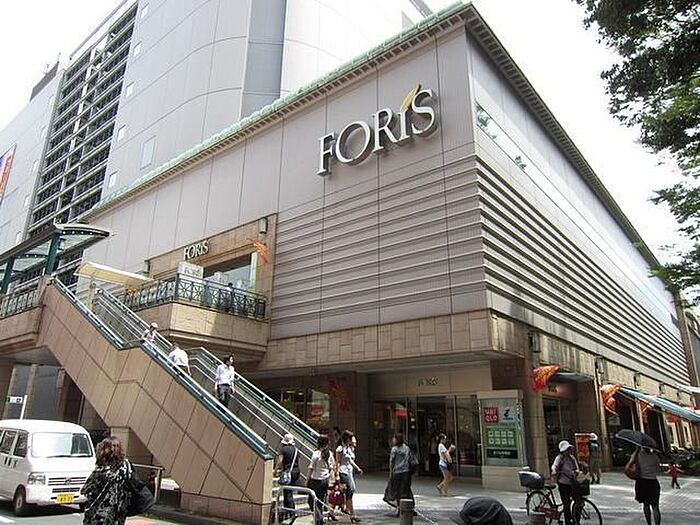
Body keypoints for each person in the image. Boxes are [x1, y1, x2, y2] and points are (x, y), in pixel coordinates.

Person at [81, 436, 131, 525]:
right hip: (118, 512)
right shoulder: (126, 466)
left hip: (99, 514)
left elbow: (86, 490)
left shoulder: (101, 470)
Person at [383, 433, 416, 517]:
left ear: (396, 439)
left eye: (394, 438)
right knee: (406, 490)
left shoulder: (394, 449)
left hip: (397, 472)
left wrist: (391, 473)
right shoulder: (406, 448)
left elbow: (392, 462)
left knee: (397, 492)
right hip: (406, 472)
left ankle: (399, 508)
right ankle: (410, 507)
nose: (393, 440)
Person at [628, 446, 661, 525]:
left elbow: (631, 462)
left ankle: (649, 523)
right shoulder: (654, 456)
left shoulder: (638, 455)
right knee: (655, 506)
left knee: (646, 505)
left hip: (642, 482)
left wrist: (636, 450)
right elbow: (658, 470)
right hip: (653, 482)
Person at [307, 435, 336, 525]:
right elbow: (332, 468)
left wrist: (307, 480)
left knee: (311, 501)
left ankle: (319, 519)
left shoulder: (316, 454)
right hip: (325, 480)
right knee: (320, 501)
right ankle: (319, 519)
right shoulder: (330, 454)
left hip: (316, 480)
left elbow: (311, 468)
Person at [336, 430, 363, 523]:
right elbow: (338, 462)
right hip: (343, 472)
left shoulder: (347, 448)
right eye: (351, 439)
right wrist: (337, 474)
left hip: (349, 472)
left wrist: (357, 468)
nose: (352, 441)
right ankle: (351, 513)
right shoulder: (340, 449)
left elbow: (350, 460)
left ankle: (348, 510)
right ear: (347, 439)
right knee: (350, 490)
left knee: (351, 490)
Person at [551, 440, 579, 525]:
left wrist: (576, 472)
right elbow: (554, 466)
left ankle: (575, 519)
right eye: (567, 449)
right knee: (566, 503)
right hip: (563, 483)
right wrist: (554, 471)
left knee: (578, 501)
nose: (568, 451)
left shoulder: (572, 458)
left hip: (572, 482)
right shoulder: (559, 458)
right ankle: (568, 521)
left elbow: (576, 468)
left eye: (569, 449)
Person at [276, 433, 300, 523]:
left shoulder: (284, 449)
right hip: (296, 472)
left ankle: (292, 512)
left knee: (287, 493)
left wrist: (275, 471)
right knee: (289, 491)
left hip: (288, 472)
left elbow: (280, 461)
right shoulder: (296, 450)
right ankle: (288, 511)